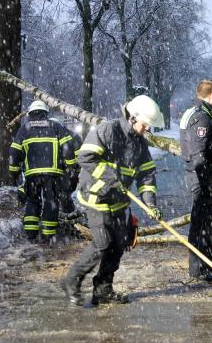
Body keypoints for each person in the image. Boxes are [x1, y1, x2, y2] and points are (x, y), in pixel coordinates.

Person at [61, 95, 164, 306]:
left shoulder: (140, 144)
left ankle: (103, 290)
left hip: (119, 202)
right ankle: (71, 281)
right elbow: (86, 157)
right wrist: (111, 177)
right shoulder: (108, 131)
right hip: (96, 198)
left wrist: (150, 203)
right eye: (146, 125)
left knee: (118, 246)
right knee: (103, 245)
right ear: (134, 118)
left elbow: (147, 176)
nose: (147, 130)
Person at [179, 79, 212, 282]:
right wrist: (205, 176)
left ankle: (199, 268)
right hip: (203, 178)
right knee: (206, 223)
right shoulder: (203, 117)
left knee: (201, 222)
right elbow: (199, 153)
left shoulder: (196, 113)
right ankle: (205, 268)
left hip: (201, 176)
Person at [9, 100, 77, 242]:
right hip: (52, 174)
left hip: (32, 175)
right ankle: (48, 235)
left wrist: (14, 172)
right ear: (46, 113)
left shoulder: (24, 129)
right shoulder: (55, 126)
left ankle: (31, 235)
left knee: (32, 201)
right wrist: (71, 167)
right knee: (50, 202)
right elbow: (68, 147)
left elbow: (14, 152)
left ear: (30, 114)